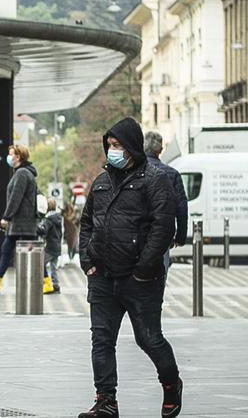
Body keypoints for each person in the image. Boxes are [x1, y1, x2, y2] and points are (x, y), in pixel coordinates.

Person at [78, 117, 182, 418]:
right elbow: (86, 223)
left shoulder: (154, 179)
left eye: (118, 145)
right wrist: (87, 260)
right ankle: (106, 401)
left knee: (148, 338)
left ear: (132, 146)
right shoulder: (101, 182)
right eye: (109, 145)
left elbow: (163, 226)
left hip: (139, 278)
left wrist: (144, 268)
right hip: (102, 276)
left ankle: (171, 383)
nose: (112, 151)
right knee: (102, 339)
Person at [0, 144, 38, 294]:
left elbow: (15, 198)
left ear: (18, 157)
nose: (9, 157)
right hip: (23, 222)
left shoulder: (22, 173)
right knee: (13, 249)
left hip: (21, 222)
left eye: (11, 154)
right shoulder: (24, 172)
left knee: (18, 249)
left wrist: (6, 216)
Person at [144, 131, 188, 272]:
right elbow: (181, 207)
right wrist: (180, 237)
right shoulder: (172, 174)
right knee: (159, 279)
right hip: (162, 236)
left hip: (136, 236)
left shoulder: (134, 172)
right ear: (161, 150)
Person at [37, 198, 62, 294]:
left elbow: (43, 230)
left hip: (50, 247)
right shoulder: (58, 218)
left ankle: (47, 283)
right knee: (53, 267)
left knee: (40, 263)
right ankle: (56, 286)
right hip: (57, 246)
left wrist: (36, 227)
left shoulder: (49, 219)